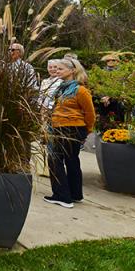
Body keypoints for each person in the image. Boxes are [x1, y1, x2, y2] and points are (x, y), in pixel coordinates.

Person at [45, 57, 95, 208]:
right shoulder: (63, 88)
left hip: (71, 129)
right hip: (61, 127)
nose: (57, 71)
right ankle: (75, 194)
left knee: (55, 159)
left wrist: (87, 130)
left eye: (61, 69)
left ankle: (62, 196)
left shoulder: (80, 90)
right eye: (57, 69)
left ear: (72, 70)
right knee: (71, 160)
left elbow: (90, 113)